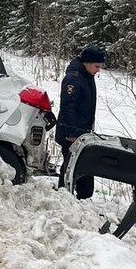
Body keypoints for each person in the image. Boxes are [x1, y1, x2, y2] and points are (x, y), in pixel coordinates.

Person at [56, 45, 106, 199]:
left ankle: (81, 197)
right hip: (71, 133)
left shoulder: (87, 77)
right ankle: (63, 196)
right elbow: (67, 107)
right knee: (70, 166)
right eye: (96, 66)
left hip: (83, 132)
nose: (98, 70)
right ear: (87, 62)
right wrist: (72, 132)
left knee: (82, 165)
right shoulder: (74, 78)